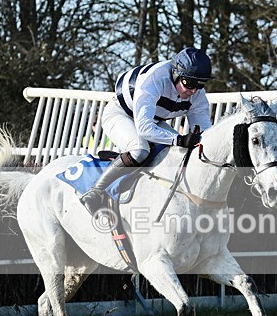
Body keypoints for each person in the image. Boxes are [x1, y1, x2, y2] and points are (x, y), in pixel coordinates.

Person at [79, 46, 213, 214]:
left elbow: (206, 133)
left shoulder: (196, 94)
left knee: (179, 152)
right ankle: (95, 192)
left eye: (199, 85)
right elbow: (144, 129)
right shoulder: (155, 79)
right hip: (121, 114)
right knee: (140, 150)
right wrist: (179, 139)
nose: (193, 90)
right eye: (189, 83)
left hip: (153, 120)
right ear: (176, 73)